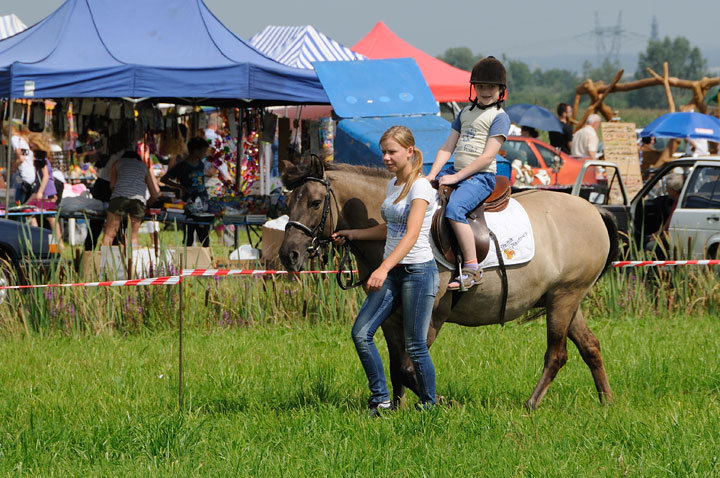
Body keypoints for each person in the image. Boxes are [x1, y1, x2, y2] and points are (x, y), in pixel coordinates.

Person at [332, 126, 439, 415]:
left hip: (417, 272)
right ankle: (380, 399)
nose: (386, 157)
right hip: (394, 272)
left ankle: (429, 405)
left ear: (409, 151)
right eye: (384, 152)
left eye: (392, 152)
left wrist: (382, 268)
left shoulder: (421, 187)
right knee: (361, 333)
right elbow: (391, 228)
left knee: (416, 345)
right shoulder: (393, 185)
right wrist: (353, 233)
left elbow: (412, 234)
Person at [426, 56, 510, 290]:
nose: (485, 91)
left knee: (454, 210)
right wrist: (431, 175)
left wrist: (455, 177)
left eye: (491, 87)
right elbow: (447, 147)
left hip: (481, 177)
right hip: (456, 170)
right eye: (480, 86)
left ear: (500, 90)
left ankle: (473, 268)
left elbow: (487, 156)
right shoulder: (464, 113)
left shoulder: (500, 117)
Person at [101, 149, 159, 248]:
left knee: (109, 234)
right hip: (138, 201)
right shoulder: (144, 166)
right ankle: (131, 262)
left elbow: (112, 185)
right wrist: (147, 204)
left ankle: (102, 261)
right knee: (133, 236)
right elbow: (155, 194)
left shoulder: (117, 163)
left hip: (119, 198)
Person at [161, 137, 211, 247]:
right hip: (190, 203)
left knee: (204, 234)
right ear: (196, 151)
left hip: (203, 202)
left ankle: (205, 258)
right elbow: (164, 179)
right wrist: (180, 187)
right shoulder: (182, 166)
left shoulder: (201, 164)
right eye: (203, 151)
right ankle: (188, 258)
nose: (204, 154)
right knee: (189, 233)